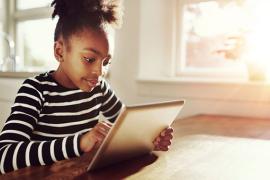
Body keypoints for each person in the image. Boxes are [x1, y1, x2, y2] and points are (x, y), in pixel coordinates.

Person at [0, 0, 173, 174]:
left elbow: (126, 128)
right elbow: (4, 156)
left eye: (106, 62)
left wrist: (150, 138)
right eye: (89, 59)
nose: (99, 72)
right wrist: (80, 143)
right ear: (60, 52)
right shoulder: (35, 90)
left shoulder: (99, 89)